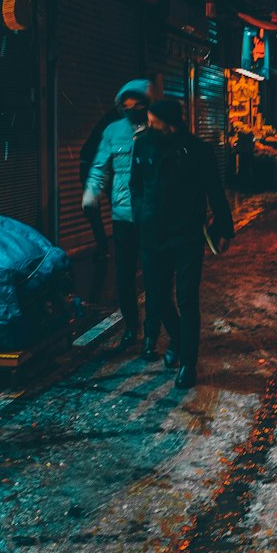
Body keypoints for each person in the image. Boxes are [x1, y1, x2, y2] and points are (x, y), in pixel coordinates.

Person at [131, 95, 234, 390]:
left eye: (154, 123)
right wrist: (141, 212)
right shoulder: (144, 144)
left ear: (171, 125)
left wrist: (224, 228)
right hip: (152, 234)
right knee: (158, 296)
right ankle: (176, 338)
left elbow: (215, 190)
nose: (149, 127)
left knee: (187, 298)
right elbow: (135, 185)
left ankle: (189, 362)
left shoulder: (198, 151)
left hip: (187, 234)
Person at [82, 79, 151, 351]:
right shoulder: (113, 132)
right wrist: (90, 196)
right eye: (127, 105)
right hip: (123, 215)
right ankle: (132, 326)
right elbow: (99, 166)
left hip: (152, 214)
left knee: (155, 275)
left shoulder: (158, 130)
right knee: (124, 275)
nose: (132, 109)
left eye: (138, 104)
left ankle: (152, 331)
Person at [78, 108, 116, 260]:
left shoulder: (106, 127)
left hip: (91, 168)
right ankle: (106, 247)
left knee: (94, 211)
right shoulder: (113, 128)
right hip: (96, 169)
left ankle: (103, 248)